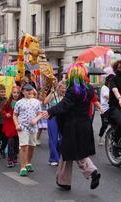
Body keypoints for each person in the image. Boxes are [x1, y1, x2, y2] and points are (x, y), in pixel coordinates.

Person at [42, 63, 101, 191]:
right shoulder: (89, 88)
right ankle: (64, 181)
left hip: (72, 126)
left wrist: (50, 111)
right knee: (72, 152)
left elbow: (64, 105)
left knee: (71, 152)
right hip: (85, 124)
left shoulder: (73, 89)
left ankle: (90, 172)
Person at [13, 83, 44, 177]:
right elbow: (15, 115)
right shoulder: (19, 102)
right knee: (23, 146)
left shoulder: (36, 102)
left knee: (31, 146)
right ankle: (22, 167)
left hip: (33, 128)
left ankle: (28, 163)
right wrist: (17, 125)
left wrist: (36, 119)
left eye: (30, 90)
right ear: (22, 92)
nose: (29, 92)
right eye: (27, 90)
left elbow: (40, 114)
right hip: (23, 127)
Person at [43, 80, 66, 166]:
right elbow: (45, 102)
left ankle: (58, 155)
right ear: (58, 88)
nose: (63, 90)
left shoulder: (66, 97)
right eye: (62, 88)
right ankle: (53, 158)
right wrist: (51, 93)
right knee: (53, 138)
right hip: (52, 118)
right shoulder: (54, 95)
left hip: (63, 119)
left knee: (63, 138)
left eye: (65, 88)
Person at [2, 85, 21, 168]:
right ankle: (10, 159)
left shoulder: (21, 102)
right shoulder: (8, 102)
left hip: (18, 124)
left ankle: (15, 157)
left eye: (17, 92)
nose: (16, 94)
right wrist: (6, 114)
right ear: (11, 93)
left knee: (17, 144)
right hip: (10, 125)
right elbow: (3, 110)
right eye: (14, 92)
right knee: (10, 143)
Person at [98, 74, 113, 146]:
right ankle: (100, 138)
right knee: (104, 124)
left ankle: (111, 138)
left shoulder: (111, 88)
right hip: (104, 109)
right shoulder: (104, 87)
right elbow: (108, 97)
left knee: (113, 124)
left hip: (111, 109)